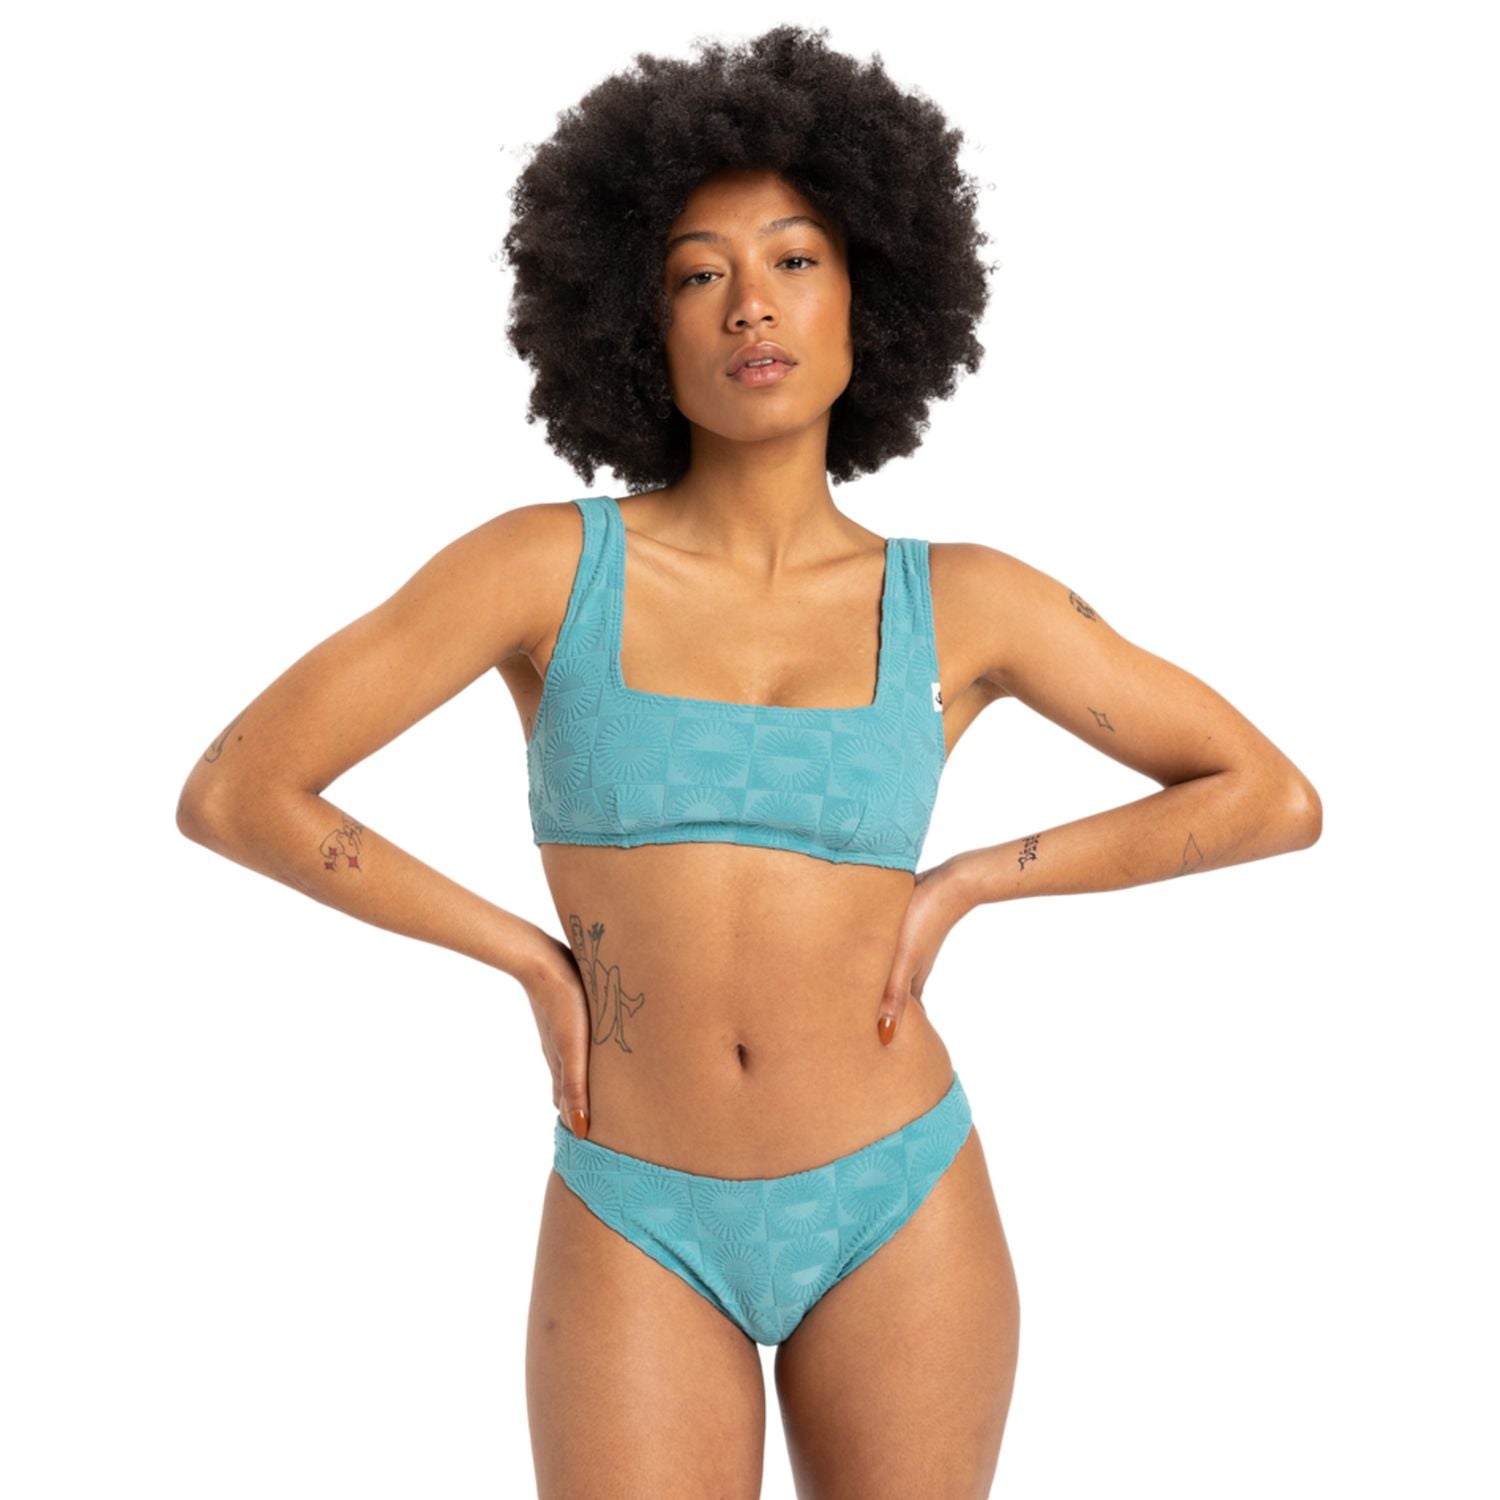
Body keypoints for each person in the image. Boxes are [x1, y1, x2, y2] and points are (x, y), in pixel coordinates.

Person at [176, 25, 1322, 1499]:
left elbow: (1268, 796)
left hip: (898, 1194)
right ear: (633, 322)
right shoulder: (542, 569)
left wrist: (975, 880)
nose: (749, 305)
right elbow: (239, 791)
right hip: (635, 1205)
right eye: (695, 274)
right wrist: (528, 961)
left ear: (869, 297)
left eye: (793, 259)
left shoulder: (966, 601)